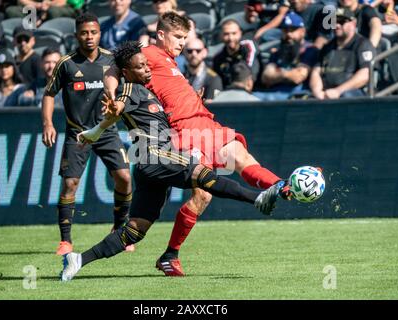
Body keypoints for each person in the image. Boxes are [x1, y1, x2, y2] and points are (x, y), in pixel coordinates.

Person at [60, 41, 272, 281]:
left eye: (146, 64)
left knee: (134, 231)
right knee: (205, 176)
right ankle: (258, 199)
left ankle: (78, 259)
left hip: (150, 165)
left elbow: (122, 115)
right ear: (127, 72)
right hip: (155, 154)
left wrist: (95, 132)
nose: (147, 69)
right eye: (140, 67)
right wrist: (114, 106)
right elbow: (119, 105)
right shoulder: (130, 88)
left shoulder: (148, 91)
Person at [104, 12, 291, 277]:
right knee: (204, 192)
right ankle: (171, 255)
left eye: (185, 37)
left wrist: (192, 96)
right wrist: (111, 94)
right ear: (161, 35)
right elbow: (112, 67)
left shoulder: (170, 62)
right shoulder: (148, 53)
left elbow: (170, 90)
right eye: (178, 37)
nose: (182, 43)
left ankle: (281, 186)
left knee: (241, 157)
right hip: (182, 131)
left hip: (203, 122)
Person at [42, 13, 132, 256]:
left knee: (124, 177)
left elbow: (126, 92)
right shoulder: (66, 63)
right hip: (78, 134)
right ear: (76, 35)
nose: (89, 37)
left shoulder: (111, 61)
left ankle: (120, 229)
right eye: (84, 33)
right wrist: (47, 124)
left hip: (106, 131)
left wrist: (118, 105)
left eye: (93, 32)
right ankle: (66, 241)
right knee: (70, 184)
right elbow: (49, 94)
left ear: (100, 33)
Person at [309, 8, 376, 99]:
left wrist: (338, 91)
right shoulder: (327, 47)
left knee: (346, 96)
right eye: (333, 22)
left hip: (353, 93)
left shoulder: (363, 44)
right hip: (326, 94)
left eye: (341, 21)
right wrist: (318, 92)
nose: (336, 25)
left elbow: (365, 74)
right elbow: (316, 72)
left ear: (353, 23)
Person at [256, 12, 319, 101]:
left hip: (297, 96)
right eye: (285, 30)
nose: (289, 34)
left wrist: (278, 72)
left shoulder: (309, 50)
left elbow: (298, 77)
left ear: (302, 32)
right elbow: (265, 77)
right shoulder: (277, 52)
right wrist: (288, 75)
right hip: (273, 95)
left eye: (293, 30)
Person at [212, 19, 260, 90]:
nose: (230, 38)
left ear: (240, 33)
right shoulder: (218, 58)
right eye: (226, 34)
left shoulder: (248, 47)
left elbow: (250, 77)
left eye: (234, 33)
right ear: (221, 36)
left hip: (251, 92)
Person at [183, 37, 223, 103]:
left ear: (205, 52)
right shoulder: (181, 76)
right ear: (184, 52)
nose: (194, 54)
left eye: (198, 51)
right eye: (190, 51)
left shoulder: (213, 78)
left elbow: (213, 106)